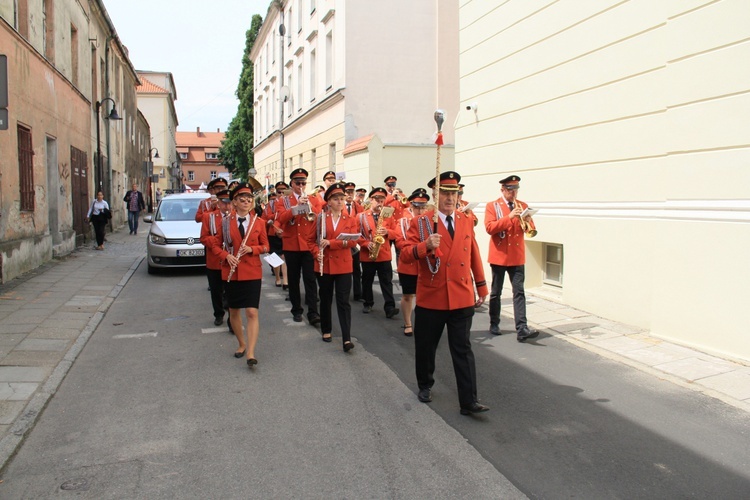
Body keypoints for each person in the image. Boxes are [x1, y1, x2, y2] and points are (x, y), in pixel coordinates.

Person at [402, 171, 490, 415]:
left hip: (461, 295)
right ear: (435, 194)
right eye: (445, 193)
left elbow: (473, 252)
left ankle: (468, 401)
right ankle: (425, 385)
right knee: (426, 347)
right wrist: (425, 246)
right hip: (433, 296)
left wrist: (480, 285)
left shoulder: (465, 219)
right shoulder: (421, 223)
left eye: (454, 193)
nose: (451, 198)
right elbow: (406, 254)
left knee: (462, 349)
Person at [212, 182, 269, 368]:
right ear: (234, 202)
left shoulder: (258, 223)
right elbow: (214, 245)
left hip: (252, 270)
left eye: (249, 199)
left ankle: (251, 352)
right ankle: (241, 343)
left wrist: (253, 248)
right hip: (232, 272)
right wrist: (226, 255)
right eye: (241, 199)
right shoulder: (225, 223)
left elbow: (266, 246)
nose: (246, 201)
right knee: (234, 311)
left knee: (252, 311)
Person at [484, 174, 539, 342]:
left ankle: (522, 327)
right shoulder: (492, 206)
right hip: (499, 256)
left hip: (516, 256)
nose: (513, 193)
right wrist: (508, 217)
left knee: (519, 292)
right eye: (510, 190)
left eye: (516, 189)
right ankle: (494, 323)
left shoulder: (522, 206)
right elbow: (489, 227)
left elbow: (529, 228)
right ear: (502, 190)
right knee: (496, 292)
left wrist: (528, 220)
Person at [308, 182, 359, 351]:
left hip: (344, 265)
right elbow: (310, 241)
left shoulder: (350, 219)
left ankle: (346, 338)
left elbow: (353, 241)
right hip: (325, 265)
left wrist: (331, 243)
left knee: (343, 301)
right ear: (328, 202)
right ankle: (326, 329)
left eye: (341, 198)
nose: (339, 201)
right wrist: (317, 253)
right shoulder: (321, 218)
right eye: (335, 199)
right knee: (326, 298)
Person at [276, 168, 321, 325]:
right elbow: (281, 218)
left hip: (308, 245)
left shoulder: (313, 199)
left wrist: (308, 205)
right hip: (292, 245)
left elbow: (318, 216)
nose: (301, 185)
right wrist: (296, 208)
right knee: (294, 280)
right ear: (292, 183)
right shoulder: (284, 201)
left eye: (303, 182)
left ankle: (313, 312)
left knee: (310, 279)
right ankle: (296, 309)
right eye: (298, 183)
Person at [357, 187, 399, 318]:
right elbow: (355, 235)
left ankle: (390, 307)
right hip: (367, 254)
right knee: (367, 280)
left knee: (386, 282)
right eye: (377, 200)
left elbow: (396, 233)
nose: (380, 203)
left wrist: (387, 232)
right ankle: (368, 303)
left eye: (382, 201)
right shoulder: (361, 216)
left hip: (384, 254)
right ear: (371, 200)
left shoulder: (388, 215)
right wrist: (365, 243)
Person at [395, 188, 430, 336]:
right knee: (408, 295)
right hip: (409, 264)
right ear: (411, 206)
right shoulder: (403, 222)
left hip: (426, 265)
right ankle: (408, 323)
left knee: (425, 296)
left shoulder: (429, 221)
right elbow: (399, 242)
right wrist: (417, 247)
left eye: (423, 207)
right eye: (417, 207)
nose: (420, 210)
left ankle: (423, 323)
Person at [200, 188, 233, 327]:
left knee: (231, 292)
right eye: (224, 203)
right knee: (216, 290)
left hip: (231, 261)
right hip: (214, 260)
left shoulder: (236, 217)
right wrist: (217, 242)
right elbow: (203, 238)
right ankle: (218, 314)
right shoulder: (209, 217)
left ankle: (233, 320)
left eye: (229, 203)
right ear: (218, 203)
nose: (227, 206)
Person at [344, 182, 364, 301]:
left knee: (357, 269)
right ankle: (344, 293)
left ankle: (358, 294)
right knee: (345, 271)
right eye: (347, 192)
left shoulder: (358, 206)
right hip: (344, 240)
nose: (350, 194)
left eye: (352, 192)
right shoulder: (340, 206)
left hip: (355, 241)